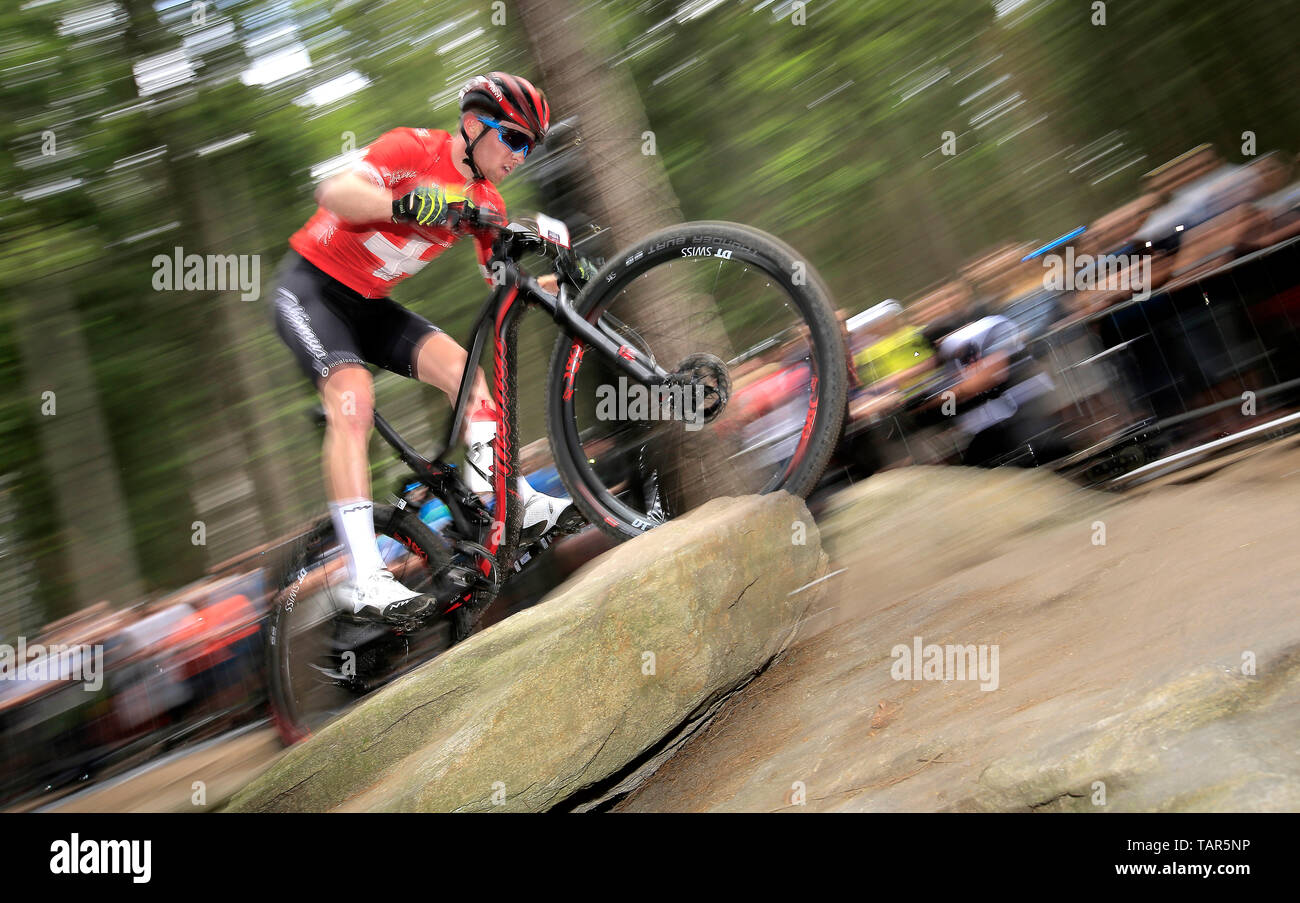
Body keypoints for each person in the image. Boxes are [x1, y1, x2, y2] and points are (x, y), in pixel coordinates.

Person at [269, 72, 573, 623]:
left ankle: (507, 496)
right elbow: (334, 194)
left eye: (531, 146)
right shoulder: (413, 149)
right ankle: (364, 576)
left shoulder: (487, 202)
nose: (521, 156)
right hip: (310, 288)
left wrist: (572, 282)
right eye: (515, 139)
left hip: (369, 306)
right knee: (352, 401)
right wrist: (411, 204)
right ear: (476, 125)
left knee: (464, 370)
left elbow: (504, 286)